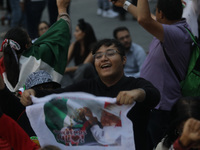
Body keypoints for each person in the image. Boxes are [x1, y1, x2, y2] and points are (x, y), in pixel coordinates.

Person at [21, 39, 160, 150]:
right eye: (98, 56)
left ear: (124, 60)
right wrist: (34, 93)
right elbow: (57, 95)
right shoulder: (86, 87)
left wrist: (138, 93)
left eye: (110, 53)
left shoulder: (135, 84)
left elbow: (154, 96)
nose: (104, 58)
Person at [111, 0, 193, 148]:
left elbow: (144, 19)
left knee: (155, 146)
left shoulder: (174, 33)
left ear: (161, 13)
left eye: (156, 12)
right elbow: (148, 18)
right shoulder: (172, 27)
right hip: (153, 104)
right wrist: (124, 4)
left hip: (160, 109)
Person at [0, 0, 71, 92]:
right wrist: (62, 9)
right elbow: (60, 33)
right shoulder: (38, 54)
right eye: (30, 39)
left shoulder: (3, 63)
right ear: (27, 46)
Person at [0, 70, 61, 149]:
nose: (41, 92)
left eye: (47, 87)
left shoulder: (65, 115)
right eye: (36, 89)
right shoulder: (20, 111)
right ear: (27, 93)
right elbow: (2, 89)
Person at [61, 18, 97, 87]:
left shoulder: (94, 47)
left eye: (77, 31)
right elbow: (64, 63)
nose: (74, 34)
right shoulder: (74, 45)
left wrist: (67, 69)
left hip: (90, 75)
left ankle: (72, 88)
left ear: (84, 33)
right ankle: (68, 89)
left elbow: (84, 66)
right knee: (62, 73)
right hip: (77, 75)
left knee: (85, 67)